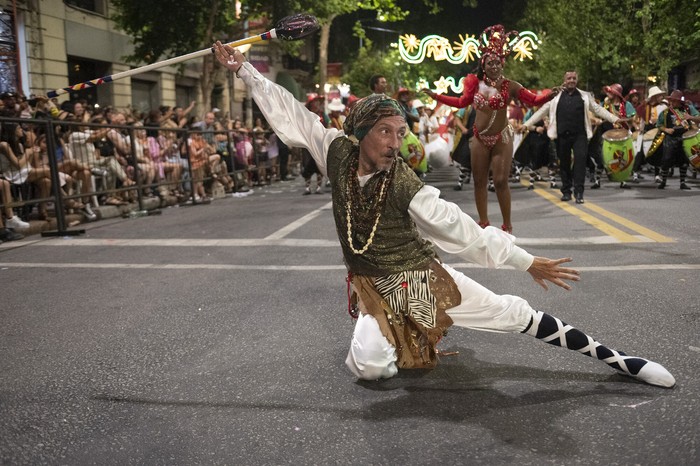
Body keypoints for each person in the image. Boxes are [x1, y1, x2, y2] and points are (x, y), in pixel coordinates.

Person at [213, 41, 675, 389]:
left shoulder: (407, 186)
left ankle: (619, 361)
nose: (396, 143)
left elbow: (463, 231)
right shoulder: (335, 151)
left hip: (419, 276)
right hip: (372, 285)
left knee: (511, 314)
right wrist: (246, 72)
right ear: (359, 134)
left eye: (400, 132)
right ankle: (403, 334)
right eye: (385, 132)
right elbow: (294, 115)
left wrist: (524, 262)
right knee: (370, 368)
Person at [423, 25, 557, 233]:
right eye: (490, 62)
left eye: (497, 62)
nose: (494, 65)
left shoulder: (510, 85)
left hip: (502, 137)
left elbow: (533, 100)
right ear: (483, 65)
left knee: (501, 180)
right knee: (479, 181)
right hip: (479, 138)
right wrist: (436, 96)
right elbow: (461, 102)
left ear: (502, 64)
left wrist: (549, 95)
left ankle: (507, 225)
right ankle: (483, 222)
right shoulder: (473, 83)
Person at [523, 70, 622, 204]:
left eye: (574, 78)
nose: (571, 80)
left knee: (580, 163)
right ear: (565, 80)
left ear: (577, 80)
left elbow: (598, 109)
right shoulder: (556, 98)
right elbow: (541, 112)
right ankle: (566, 192)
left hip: (580, 135)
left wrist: (614, 119)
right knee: (564, 164)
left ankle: (579, 193)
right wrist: (526, 124)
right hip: (562, 135)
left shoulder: (584, 96)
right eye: (569, 78)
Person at [656, 89, 700, 190]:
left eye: (675, 100)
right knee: (666, 159)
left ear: (680, 101)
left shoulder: (688, 109)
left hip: (685, 138)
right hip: (670, 138)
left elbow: (699, 118)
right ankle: (663, 181)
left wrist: (690, 117)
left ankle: (682, 182)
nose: (672, 102)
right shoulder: (666, 112)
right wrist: (666, 129)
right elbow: (659, 125)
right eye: (671, 100)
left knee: (684, 160)